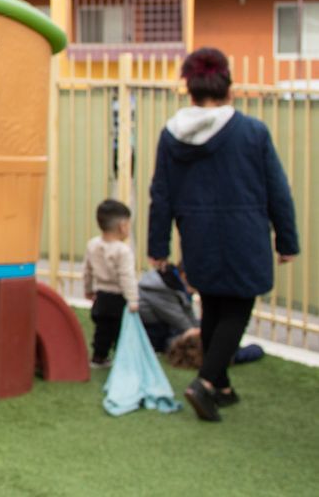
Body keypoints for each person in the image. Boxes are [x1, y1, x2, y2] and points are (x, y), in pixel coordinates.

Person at [148, 46, 298, 422]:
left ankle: (224, 386)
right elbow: (277, 189)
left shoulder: (171, 136)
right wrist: (287, 241)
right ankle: (206, 382)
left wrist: (158, 246)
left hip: (196, 235)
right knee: (237, 308)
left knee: (214, 304)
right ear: (227, 86)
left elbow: (161, 194)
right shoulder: (252, 132)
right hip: (244, 233)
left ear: (191, 88)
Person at [83, 199, 139, 368]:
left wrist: (88, 290)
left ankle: (98, 357)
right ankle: (123, 359)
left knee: (102, 328)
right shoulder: (123, 250)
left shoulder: (93, 245)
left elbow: (87, 270)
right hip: (118, 297)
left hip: (101, 295)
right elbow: (126, 277)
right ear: (122, 226)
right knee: (119, 329)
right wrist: (133, 299)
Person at [138, 262, 198, 353]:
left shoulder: (174, 281)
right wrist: (193, 330)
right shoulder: (163, 287)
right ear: (185, 276)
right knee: (173, 339)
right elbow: (174, 315)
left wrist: (196, 327)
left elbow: (186, 308)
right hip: (150, 325)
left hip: (159, 321)